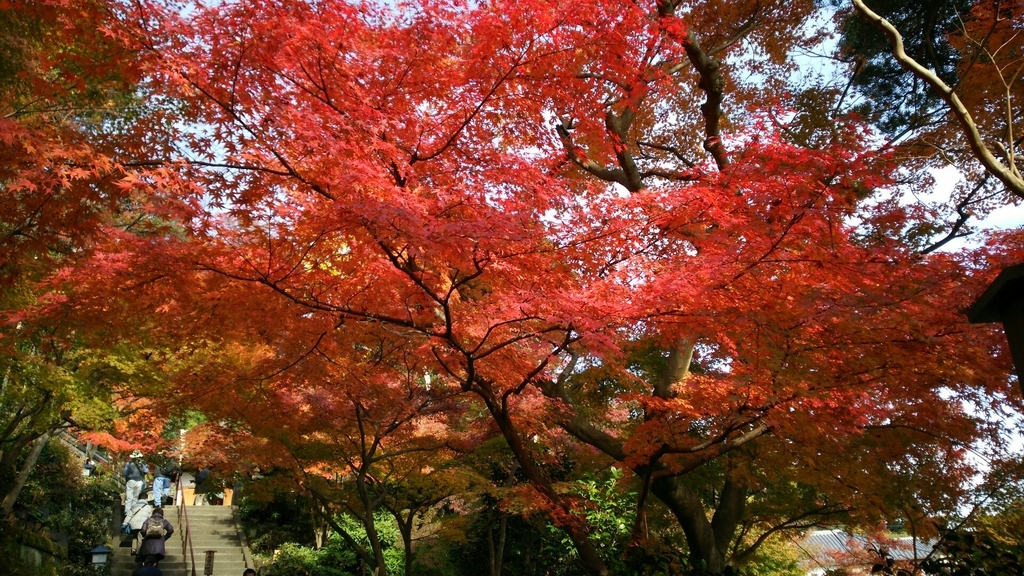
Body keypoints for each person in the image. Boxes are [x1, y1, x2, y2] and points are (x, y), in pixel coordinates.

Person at [122, 450, 149, 524]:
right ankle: (134, 510)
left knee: (129, 497)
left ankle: (127, 511)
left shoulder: (129, 463)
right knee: (136, 497)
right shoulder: (142, 463)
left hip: (130, 480)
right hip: (139, 481)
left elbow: (124, 473)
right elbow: (146, 471)